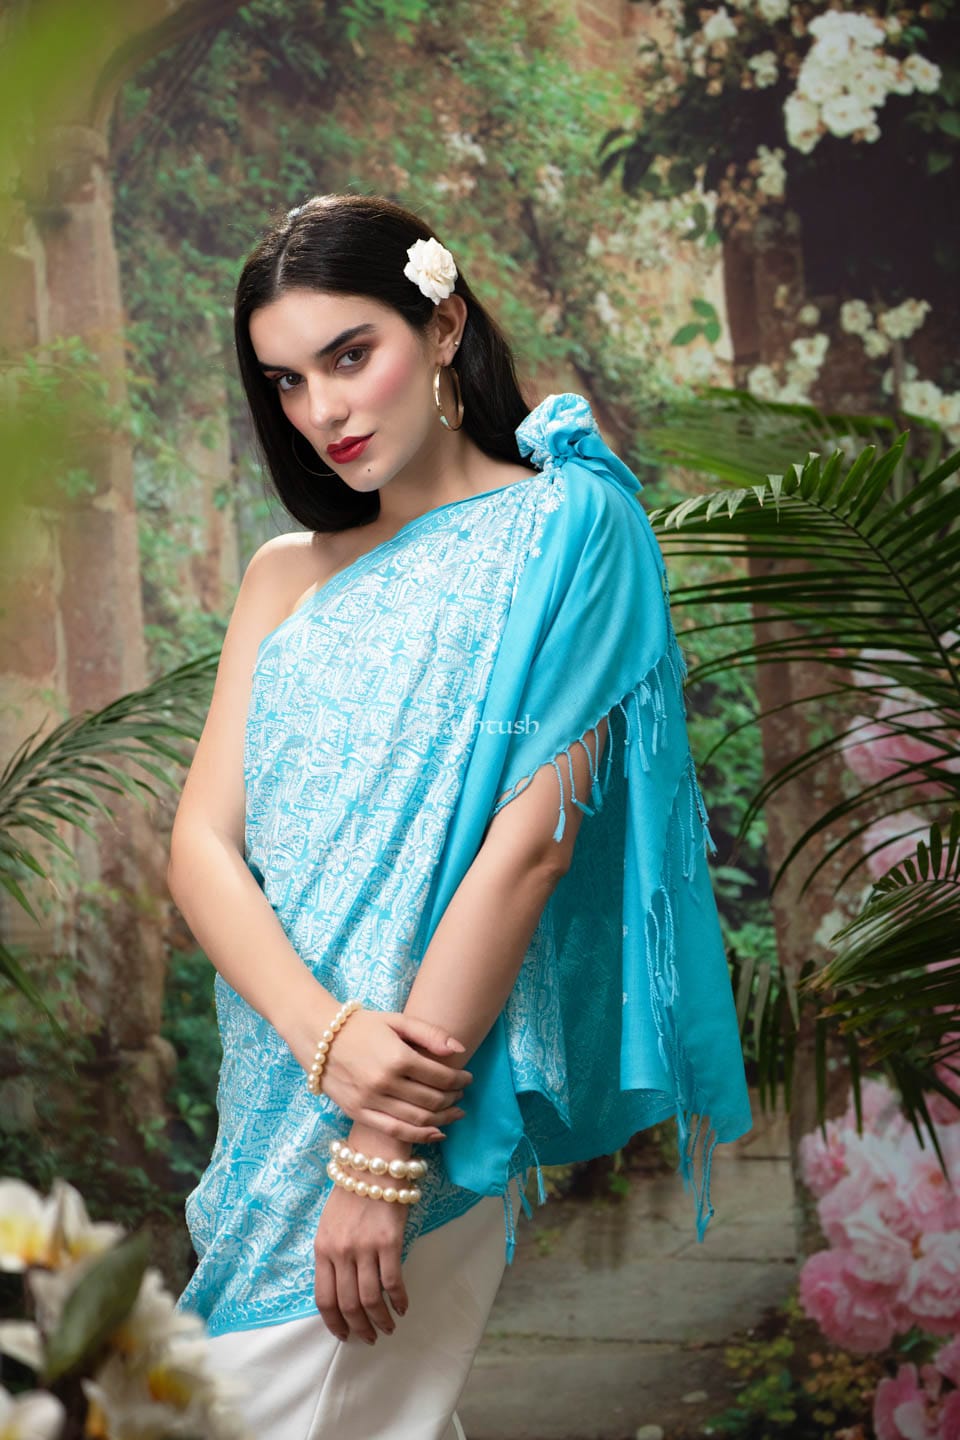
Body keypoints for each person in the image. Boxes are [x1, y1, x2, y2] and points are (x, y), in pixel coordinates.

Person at [167, 191, 753, 1439]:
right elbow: (202, 846)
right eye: (286, 382)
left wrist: (380, 1146)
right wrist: (326, 1039)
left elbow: (531, 847)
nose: (322, 411)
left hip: (409, 1103)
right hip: (280, 1085)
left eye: (350, 355)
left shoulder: (571, 525)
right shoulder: (282, 576)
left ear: (442, 327)